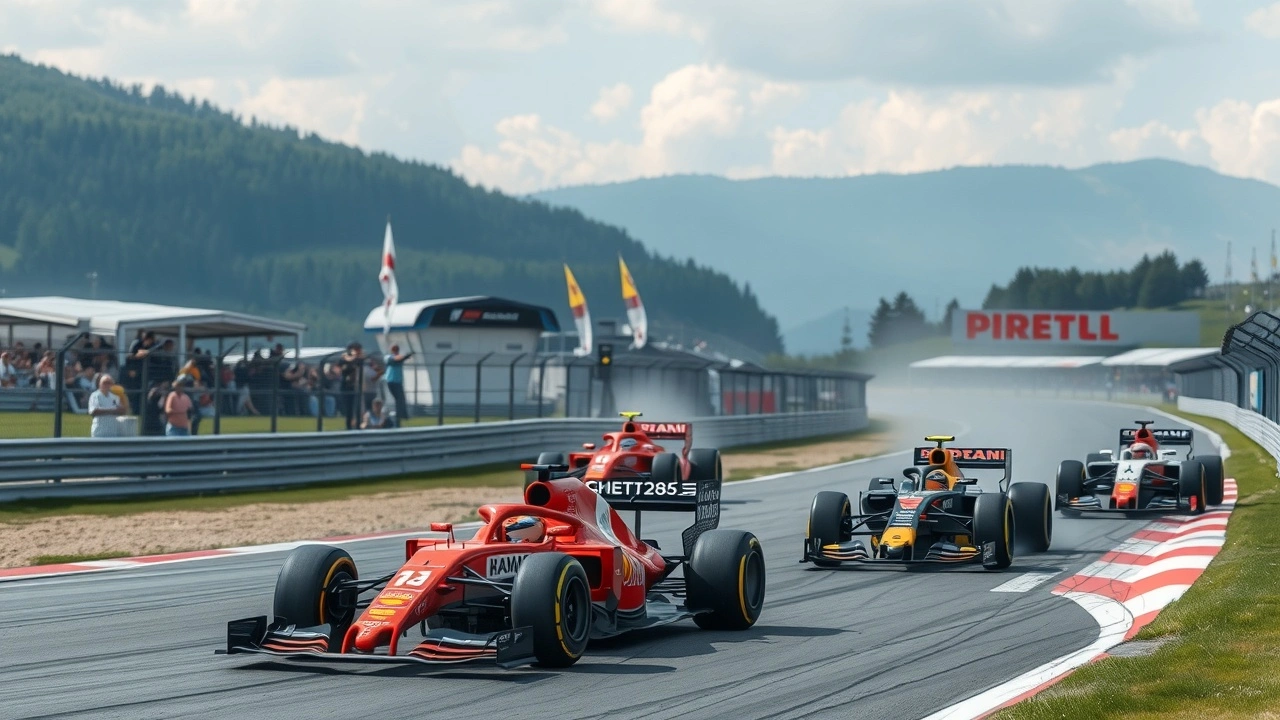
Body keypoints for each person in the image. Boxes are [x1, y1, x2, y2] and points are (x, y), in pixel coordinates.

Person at [384, 344, 412, 427]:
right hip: (391, 381)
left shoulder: (400, 357)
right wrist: (405, 356)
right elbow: (396, 359)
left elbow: (399, 358)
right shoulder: (388, 357)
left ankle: (400, 416)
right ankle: (399, 417)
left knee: (400, 399)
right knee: (399, 398)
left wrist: (406, 357)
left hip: (398, 382)